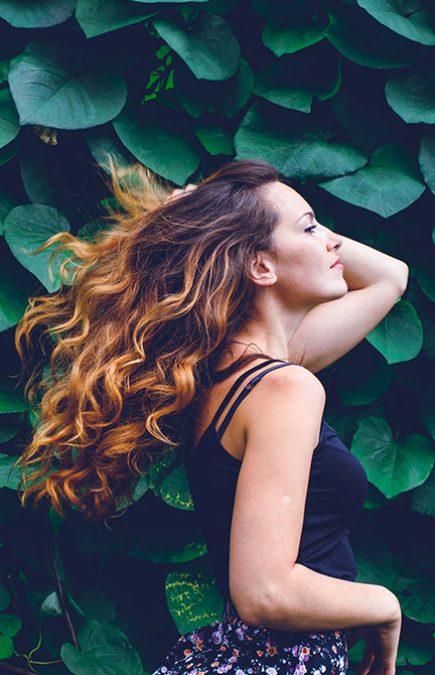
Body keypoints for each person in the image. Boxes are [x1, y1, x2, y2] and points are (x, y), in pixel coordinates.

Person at [14, 159, 407, 675]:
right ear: (261, 268)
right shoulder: (283, 386)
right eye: (312, 227)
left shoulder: (234, 374)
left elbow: (389, 277)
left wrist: (229, 210)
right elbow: (265, 592)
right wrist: (384, 606)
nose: (332, 241)